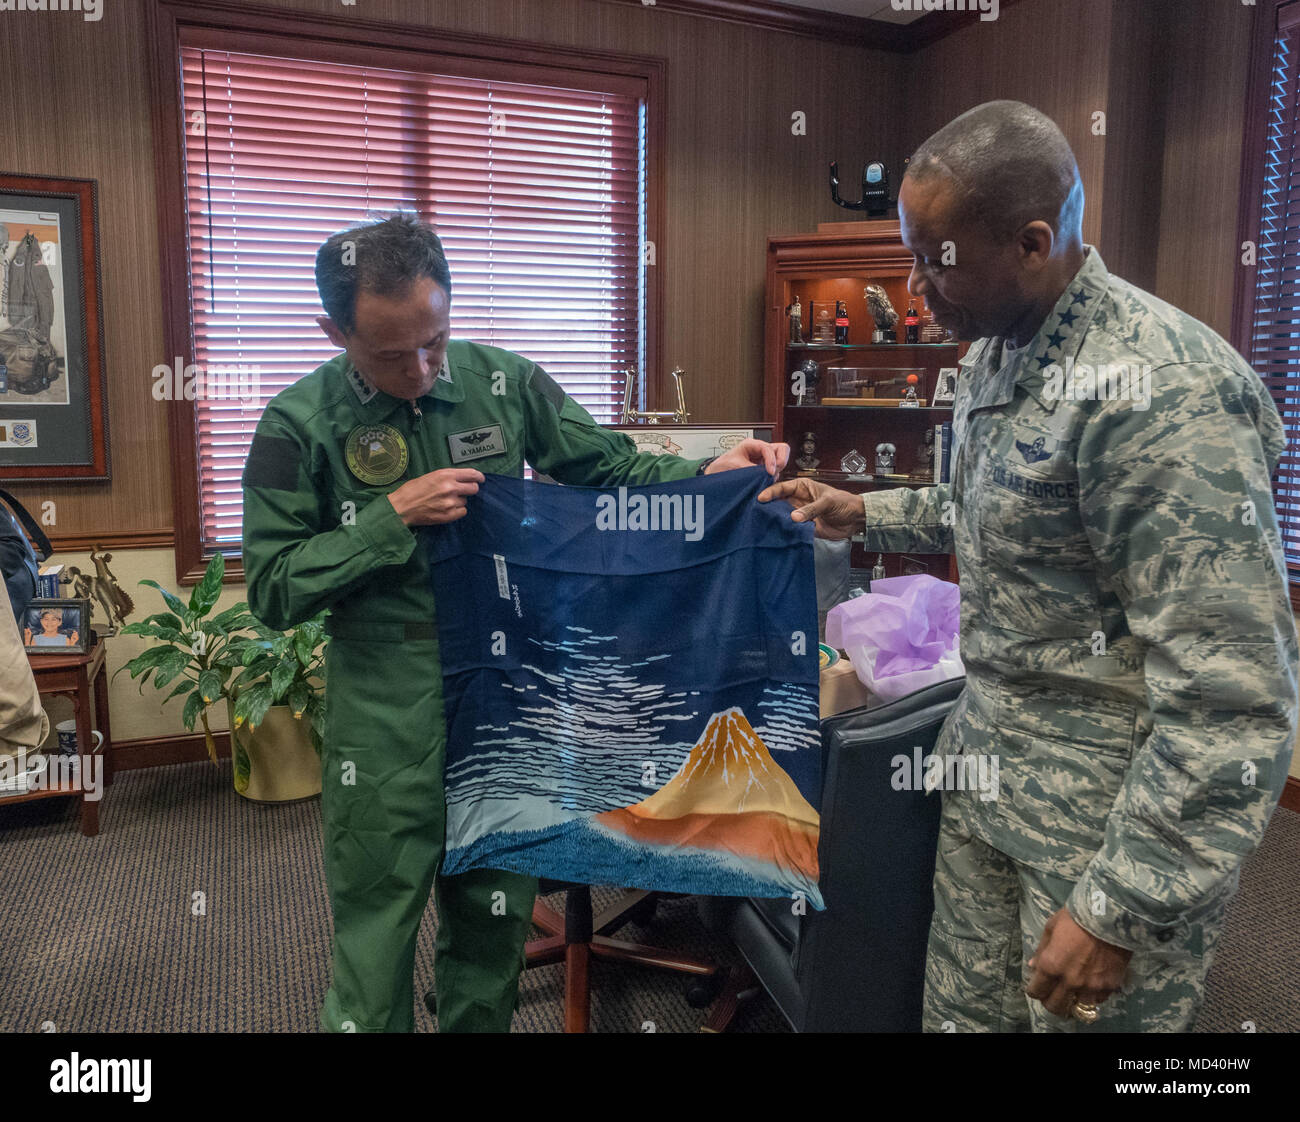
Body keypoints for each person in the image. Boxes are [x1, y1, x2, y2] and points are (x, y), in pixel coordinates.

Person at [759, 101, 1298, 1032]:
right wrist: (865, 509)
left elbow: (1232, 697)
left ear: (1034, 240)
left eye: (938, 260)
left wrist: (1122, 905)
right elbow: (996, 505)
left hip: (1106, 826)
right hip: (987, 770)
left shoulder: (1160, 394)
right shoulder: (994, 358)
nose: (917, 286)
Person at [241, 212, 788, 1033]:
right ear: (334, 330)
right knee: (376, 938)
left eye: (436, 340)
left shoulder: (505, 382)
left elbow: (608, 468)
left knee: (492, 930)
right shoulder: (296, 424)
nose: (423, 368)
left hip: (508, 694)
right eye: (393, 354)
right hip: (388, 707)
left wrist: (708, 470)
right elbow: (274, 588)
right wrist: (388, 519)